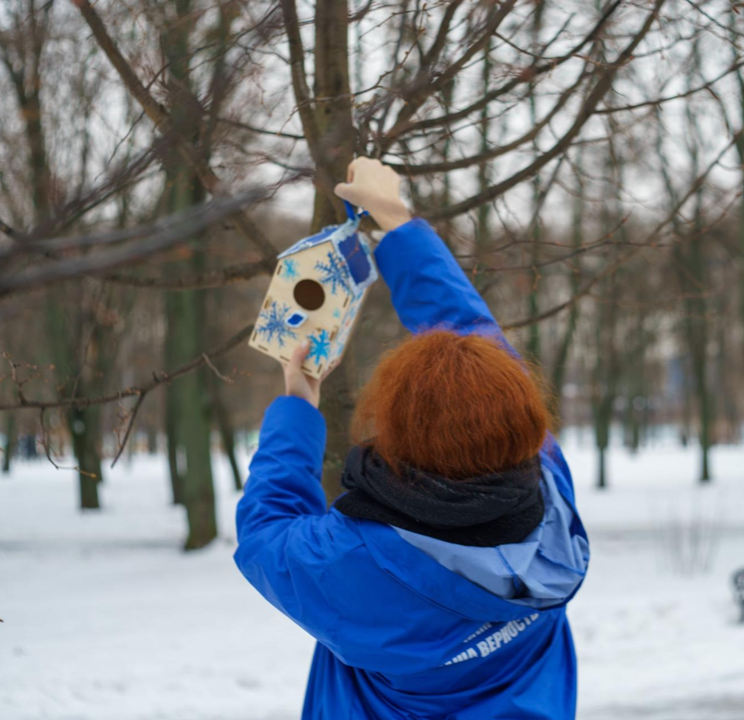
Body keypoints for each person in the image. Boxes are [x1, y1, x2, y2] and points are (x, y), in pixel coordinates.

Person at [235, 158, 590, 720]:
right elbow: (472, 334)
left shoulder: (350, 561)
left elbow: (265, 532)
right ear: (520, 419)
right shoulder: (549, 494)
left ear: (396, 434)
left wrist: (298, 406)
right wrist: (399, 226)